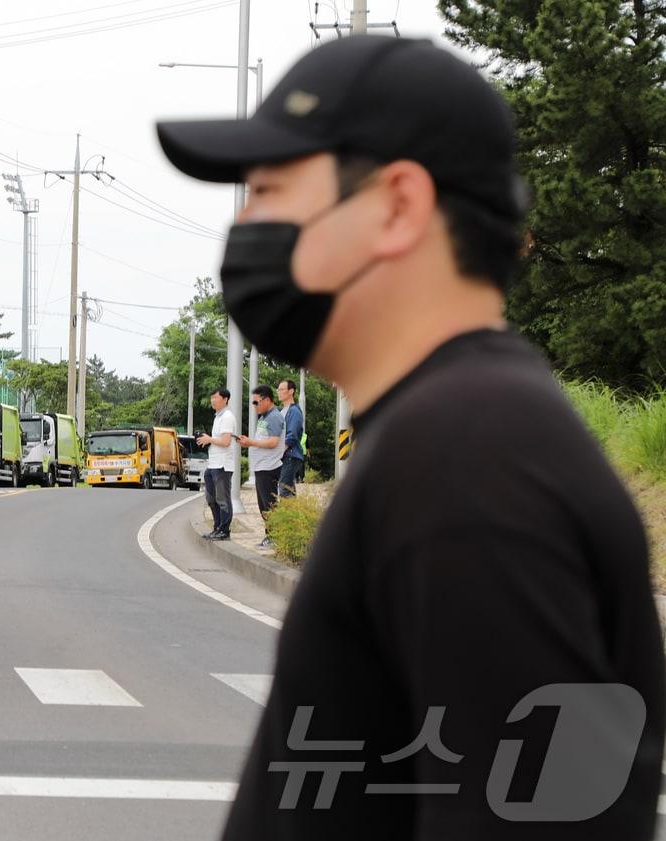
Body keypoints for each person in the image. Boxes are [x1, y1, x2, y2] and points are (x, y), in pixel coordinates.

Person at [158, 35, 663, 840]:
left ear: (397, 206)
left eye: (267, 190)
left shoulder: (472, 463)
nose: (245, 226)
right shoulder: (455, 435)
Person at [238, 385, 284, 548]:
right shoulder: (264, 417)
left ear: (266, 399)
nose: (254, 406)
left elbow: (273, 442)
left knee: (269, 505)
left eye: (256, 402)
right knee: (263, 504)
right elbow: (263, 440)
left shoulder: (274, 417)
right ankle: (271, 536)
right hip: (262, 467)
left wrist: (251, 442)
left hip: (269, 467)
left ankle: (274, 537)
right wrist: (249, 442)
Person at [196, 388, 238, 540]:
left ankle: (224, 531)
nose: (213, 400)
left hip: (222, 465)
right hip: (213, 464)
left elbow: (226, 442)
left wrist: (210, 440)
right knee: (211, 498)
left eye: (216, 397)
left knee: (222, 499)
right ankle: (217, 527)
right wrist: (207, 441)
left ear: (225, 399)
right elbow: (218, 441)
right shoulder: (217, 417)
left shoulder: (227, 417)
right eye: (211, 397)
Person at [276, 378, 304, 496]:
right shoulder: (282, 411)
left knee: (284, 489)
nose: (279, 392)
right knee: (288, 489)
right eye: (278, 390)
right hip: (285, 456)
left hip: (290, 456)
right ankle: (293, 514)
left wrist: (279, 451)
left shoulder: (294, 411)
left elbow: (292, 435)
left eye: (282, 389)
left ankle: (289, 514)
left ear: (291, 391)